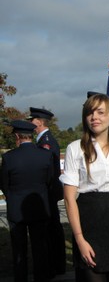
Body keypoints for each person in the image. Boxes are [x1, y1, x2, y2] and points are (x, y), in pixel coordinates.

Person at [60, 93, 109, 282]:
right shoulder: (75, 148)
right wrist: (79, 238)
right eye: (89, 112)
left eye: (100, 112)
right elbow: (69, 197)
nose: (94, 117)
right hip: (89, 223)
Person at [0, 120, 57, 282]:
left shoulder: (9, 157)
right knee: (40, 248)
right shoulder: (45, 155)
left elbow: (4, 183)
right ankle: (42, 277)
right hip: (40, 207)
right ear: (31, 136)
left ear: (17, 136)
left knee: (19, 250)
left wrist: (12, 197)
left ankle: (21, 277)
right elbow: (49, 181)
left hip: (17, 209)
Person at [27, 107, 66, 276]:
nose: (30, 123)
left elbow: (47, 169)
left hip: (48, 191)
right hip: (47, 190)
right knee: (51, 229)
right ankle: (55, 264)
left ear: (39, 122)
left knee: (52, 230)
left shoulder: (46, 141)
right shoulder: (43, 140)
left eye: (32, 120)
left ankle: (55, 265)